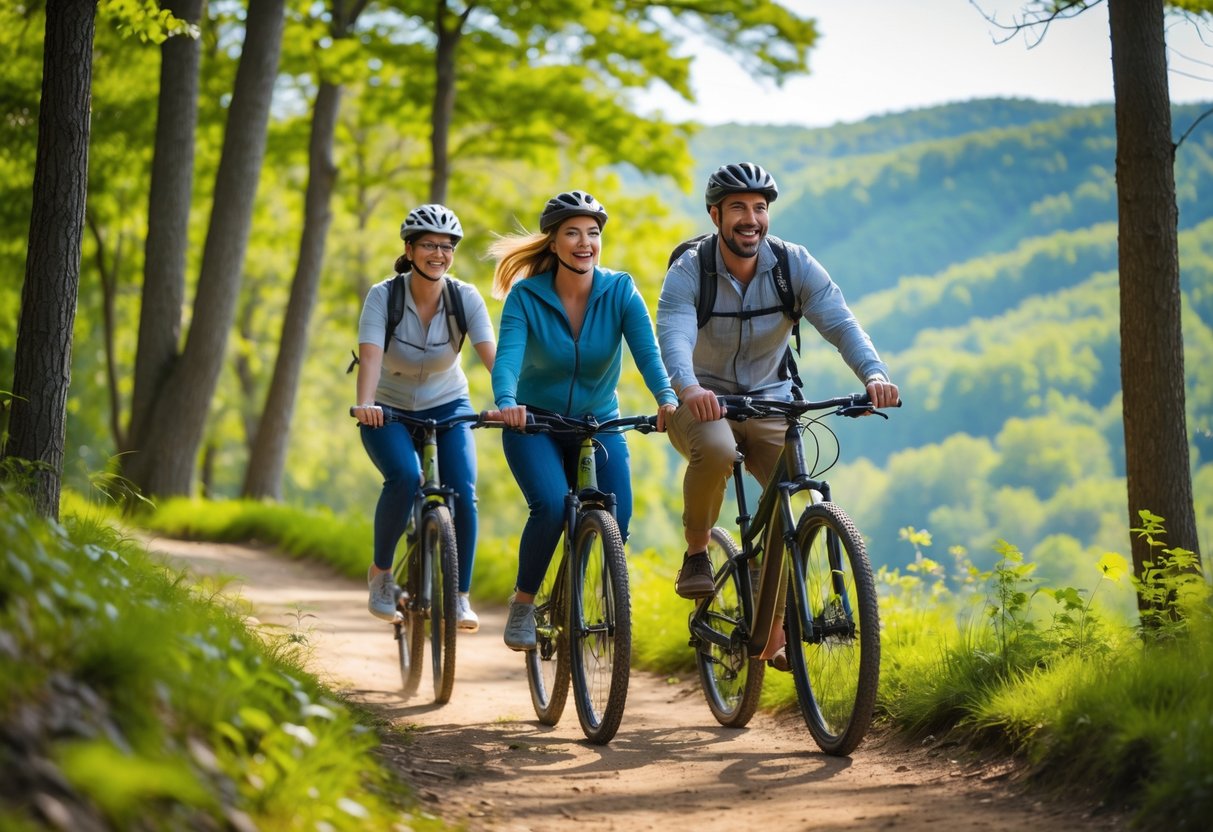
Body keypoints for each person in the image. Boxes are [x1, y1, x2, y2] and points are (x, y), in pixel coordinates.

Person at [656, 162, 900, 667]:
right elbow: (673, 337)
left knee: (795, 500)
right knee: (720, 449)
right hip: (702, 401)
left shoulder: (794, 266)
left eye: (760, 208)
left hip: (771, 399)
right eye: (739, 208)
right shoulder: (690, 271)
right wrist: (688, 387)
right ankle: (698, 552)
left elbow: (840, 323)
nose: (751, 218)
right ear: (715, 215)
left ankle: (772, 627)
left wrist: (873, 376)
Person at [489, 190, 679, 651]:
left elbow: (648, 354)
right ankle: (524, 602)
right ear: (552, 243)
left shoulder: (620, 291)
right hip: (534, 423)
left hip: (599, 422)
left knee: (620, 514)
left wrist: (667, 399)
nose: (584, 242)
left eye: (592, 234)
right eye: (572, 233)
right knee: (552, 505)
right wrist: (508, 402)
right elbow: (508, 357)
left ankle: (582, 589)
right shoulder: (526, 296)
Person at [353, 204, 496, 632]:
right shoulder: (384, 296)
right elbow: (371, 359)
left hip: (448, 401)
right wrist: (366, 403)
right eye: (429, 245)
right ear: (410, 249)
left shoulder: (464, 297)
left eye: (447, 246)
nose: (439, 253)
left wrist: (513, 400)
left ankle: (459, 597)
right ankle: (381, 576)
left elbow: (494, 356)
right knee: (403, 476)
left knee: (464, 491)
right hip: (388, 406)